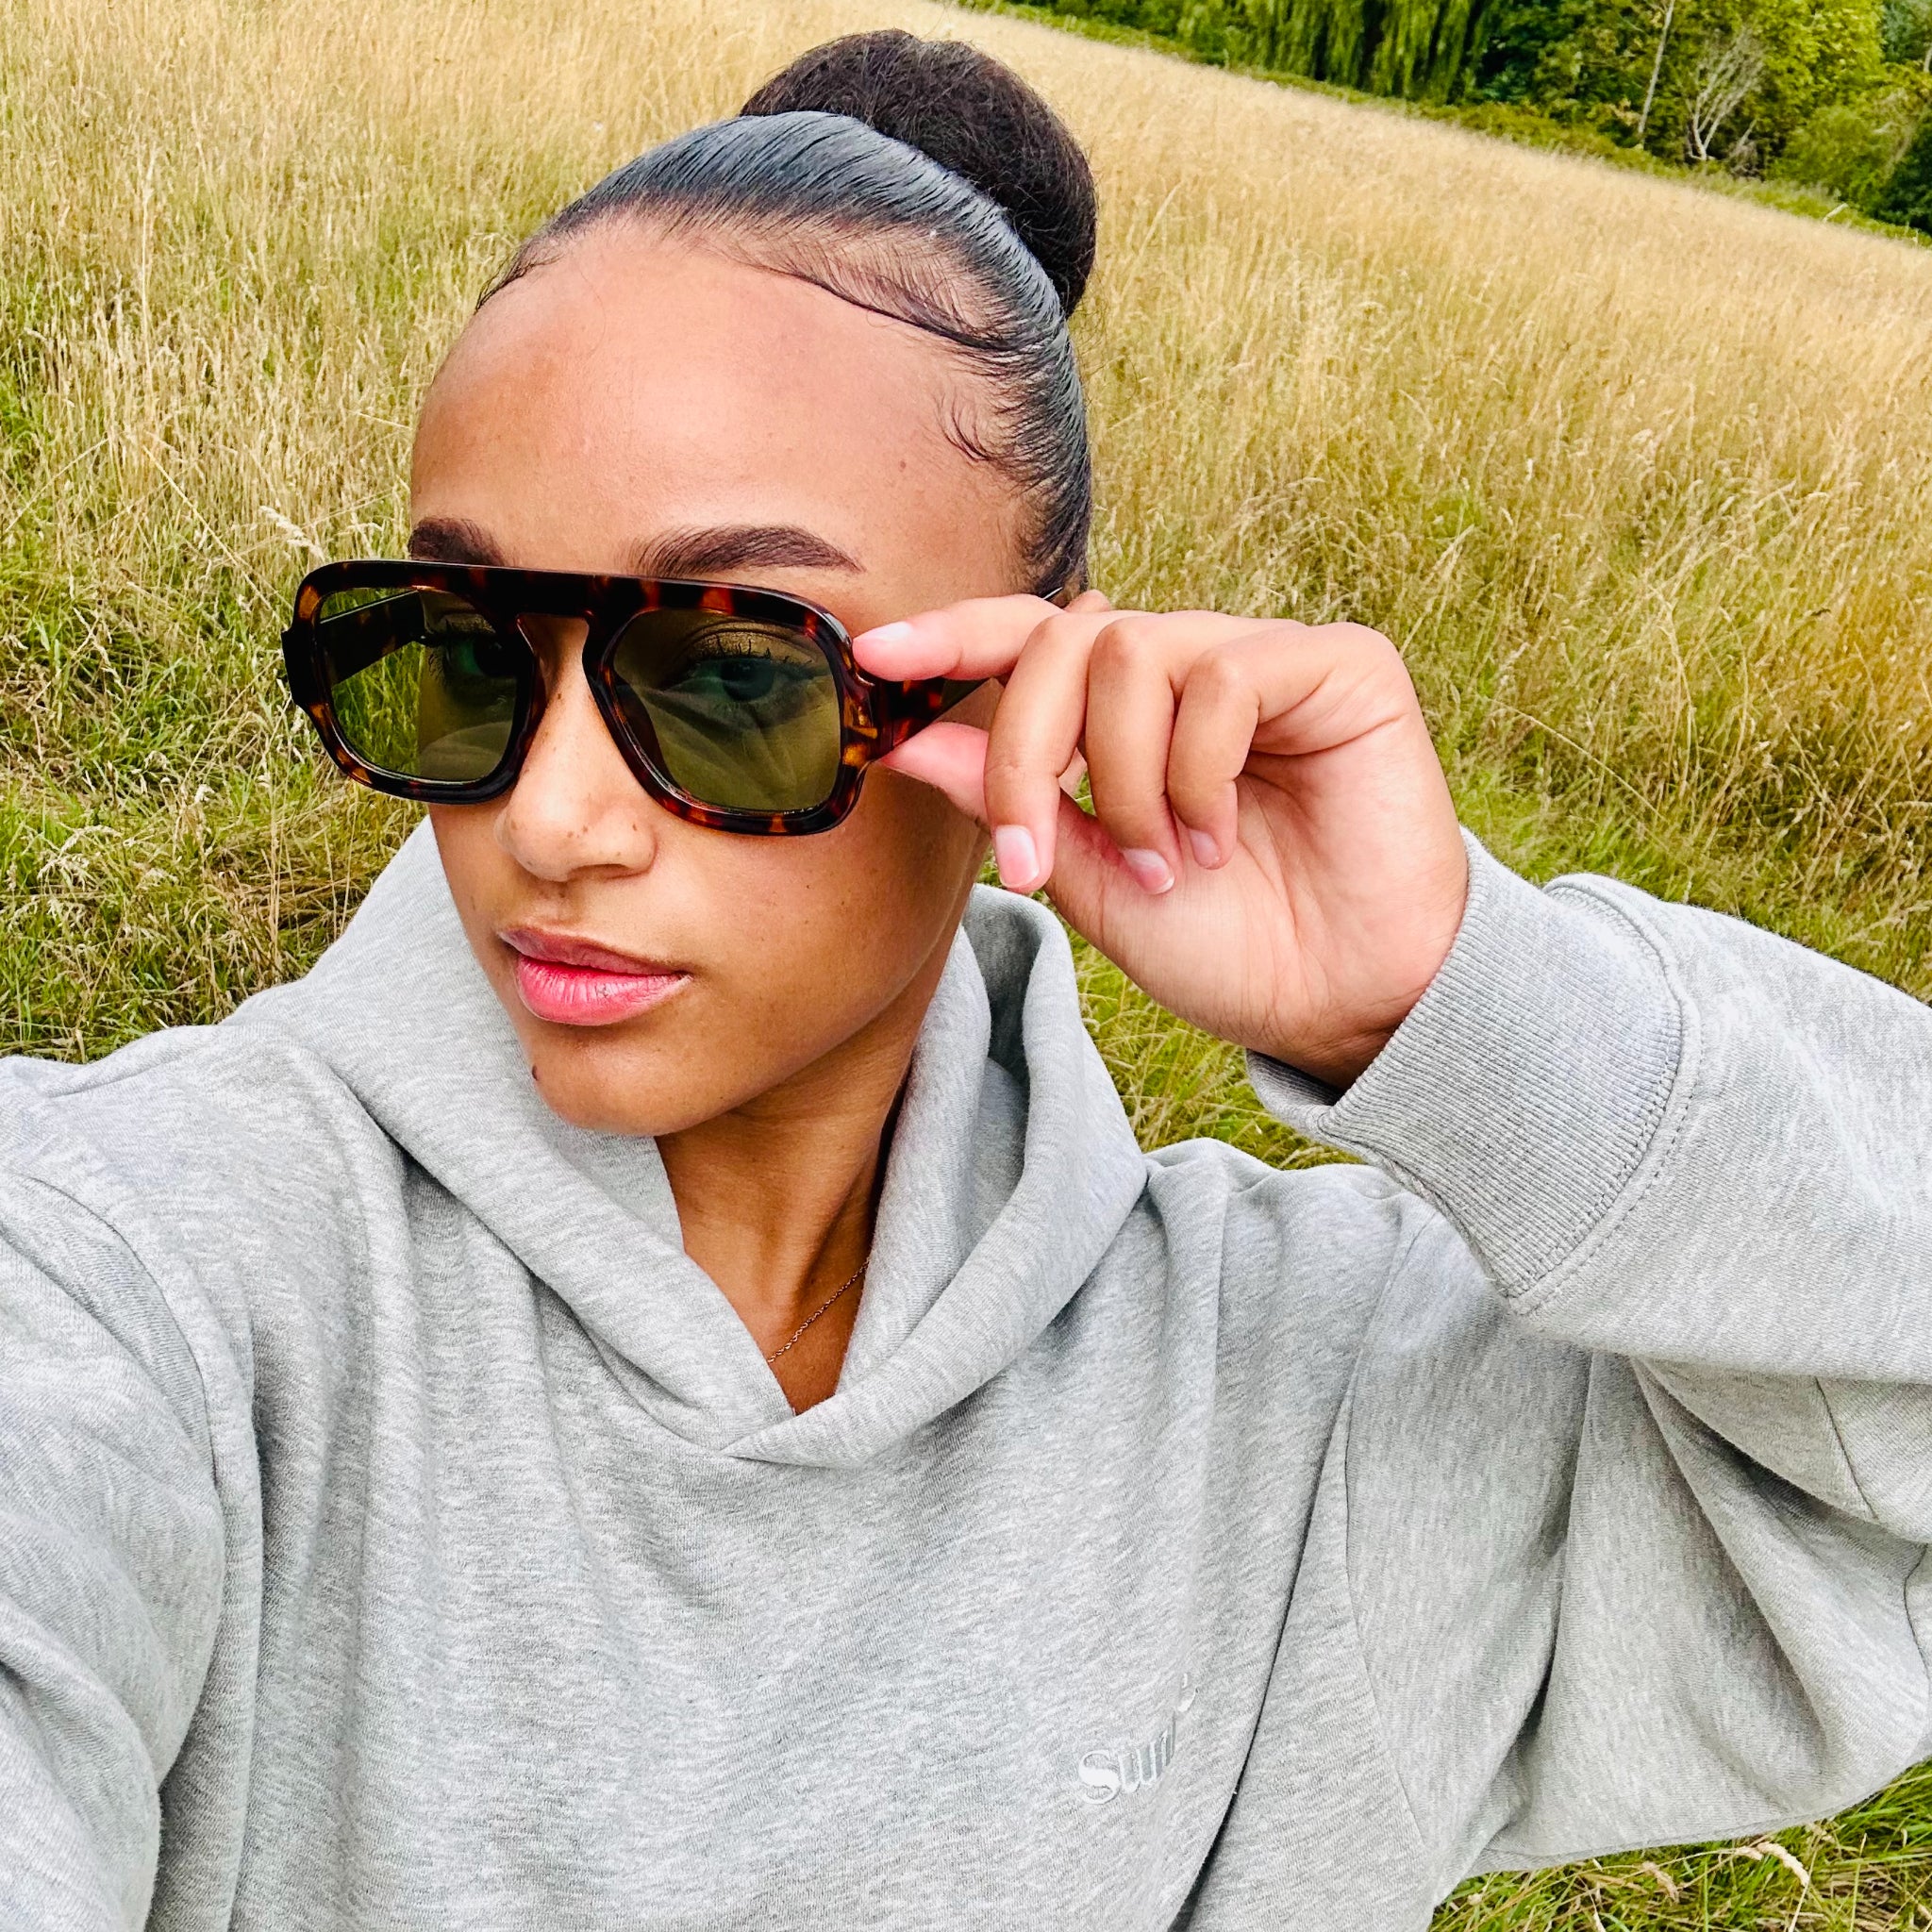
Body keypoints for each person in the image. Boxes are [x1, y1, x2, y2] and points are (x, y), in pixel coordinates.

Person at [3, 27, 1927, 1932]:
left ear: (1020, 687)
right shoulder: (127, 1275)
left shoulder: (1319, 1414)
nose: (555, 816)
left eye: (736, 671)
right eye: (456, 645)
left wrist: (1457, 997)